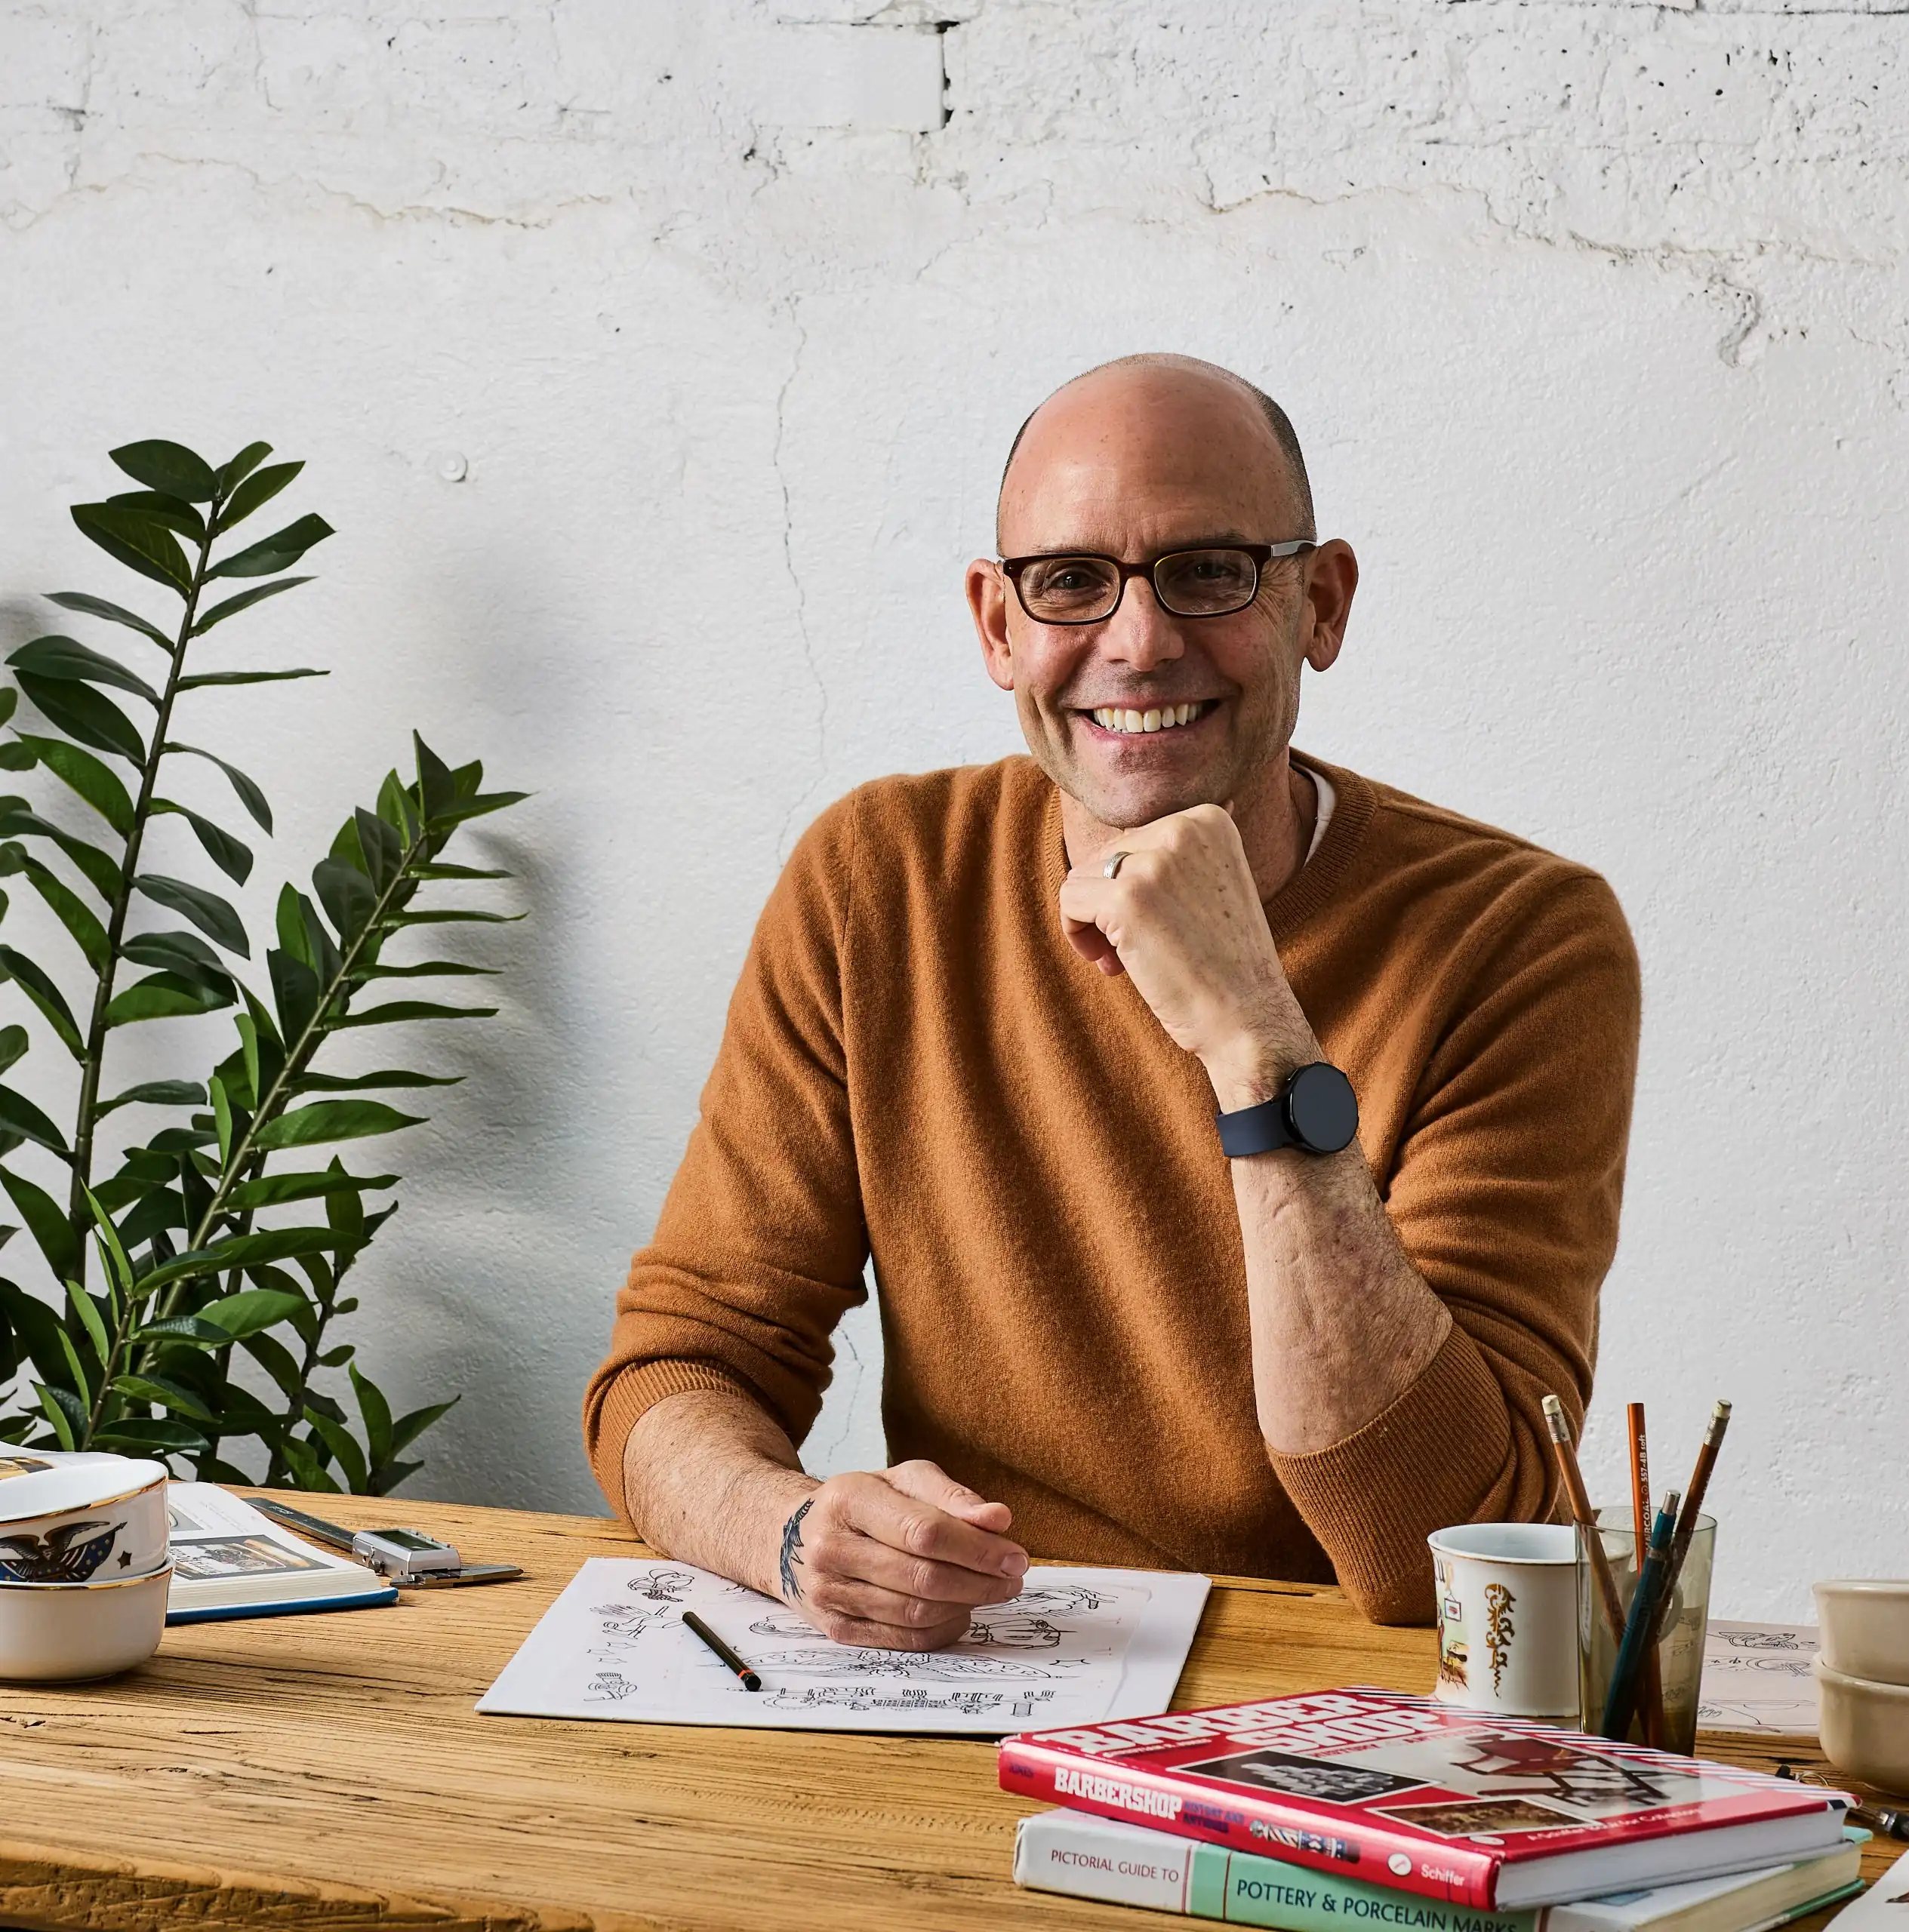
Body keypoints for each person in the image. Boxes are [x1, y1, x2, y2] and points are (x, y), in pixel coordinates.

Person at [584, 353, 1640, 1644]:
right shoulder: (881, 881)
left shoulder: (1521, 939)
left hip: (1342, 1728)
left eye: (1211, 572)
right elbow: (678, 1371)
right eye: (1071, 582)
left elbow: (1437, 1557)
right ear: (996, 624)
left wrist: (1254, 1035)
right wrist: (789, 1531)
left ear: (1322, 603)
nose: (1139, 645)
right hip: (990, 1674)